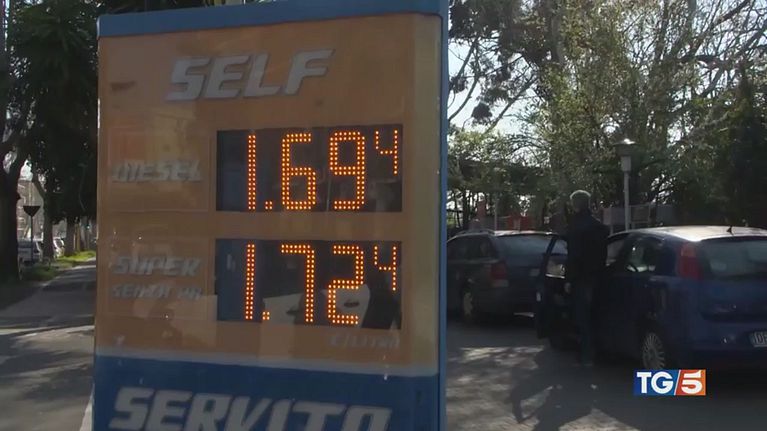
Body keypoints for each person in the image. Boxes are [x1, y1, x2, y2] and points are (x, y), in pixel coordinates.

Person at [564, 190, 609, 366]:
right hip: (599, 275)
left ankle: (587, 354)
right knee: (596, 315)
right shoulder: (599, 226)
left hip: (581, 277)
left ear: (575, 205)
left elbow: (573, 256)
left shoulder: (575, 227)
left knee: (583, 317)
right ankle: (601, 352)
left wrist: (568, 279)